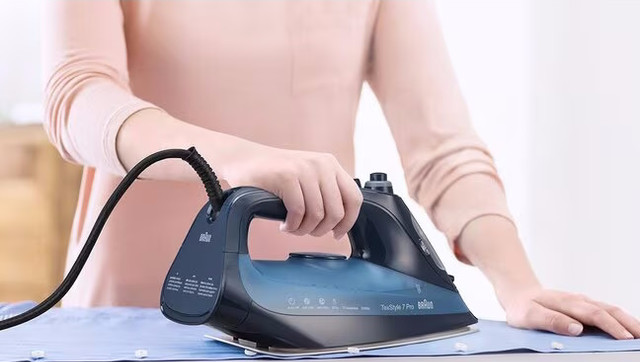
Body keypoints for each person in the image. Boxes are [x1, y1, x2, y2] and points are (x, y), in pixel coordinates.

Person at [44, 0, 638, 339]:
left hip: (314, 333)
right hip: (133, 329)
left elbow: (442, 149)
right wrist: (230, 159)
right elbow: (77, 96)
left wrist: (519, 285)